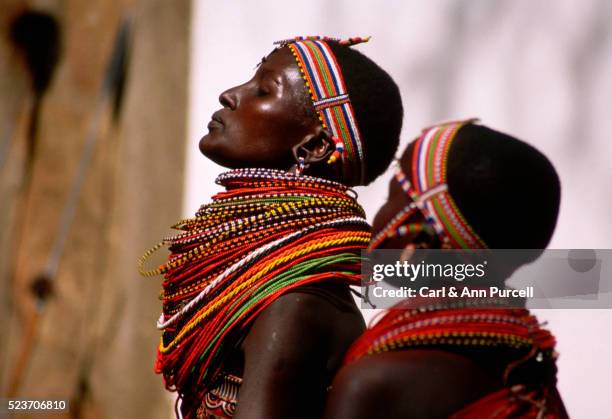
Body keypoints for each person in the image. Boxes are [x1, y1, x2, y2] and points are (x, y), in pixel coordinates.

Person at [138, 36, 403, 419]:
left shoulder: (293, 304)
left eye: (263, 91)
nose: (229, 95)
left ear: (313, 147)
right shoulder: (278, 293)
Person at [323, 119, 569, 418]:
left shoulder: (374, 384)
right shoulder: (530, 364)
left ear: (420, 233)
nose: (379, 213)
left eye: (391, 196)